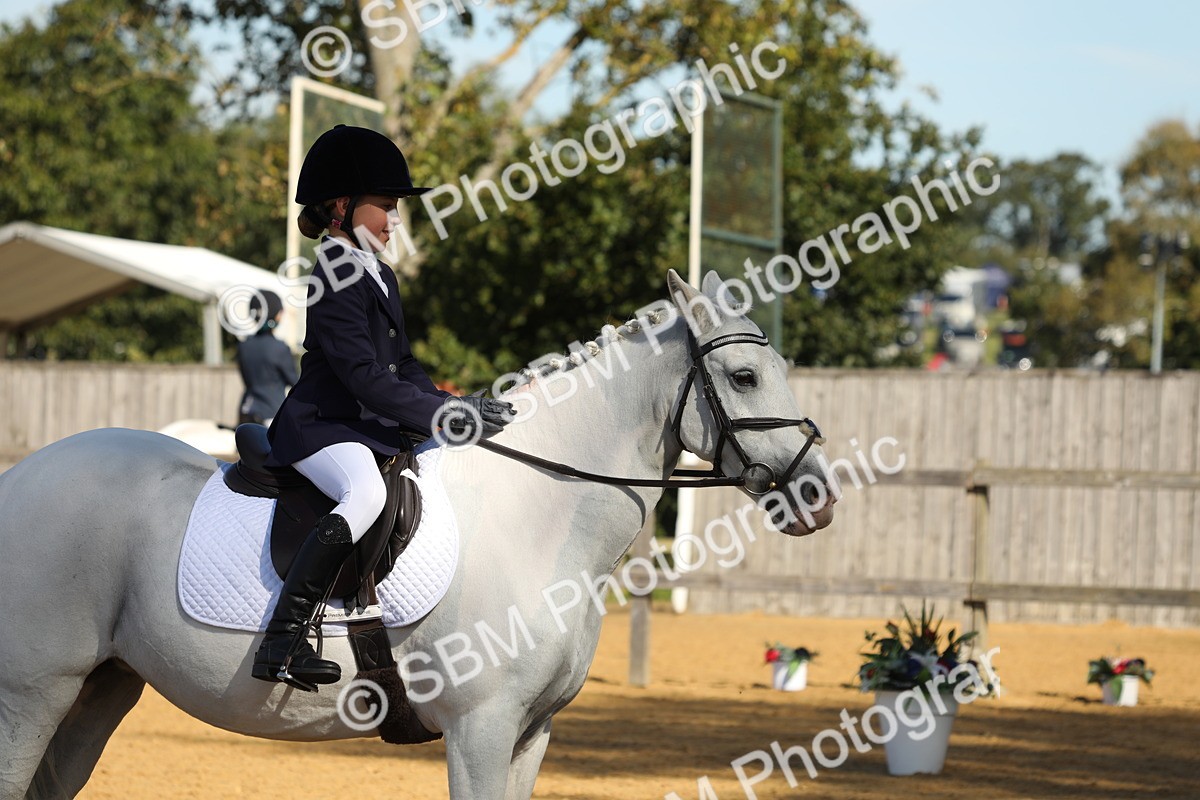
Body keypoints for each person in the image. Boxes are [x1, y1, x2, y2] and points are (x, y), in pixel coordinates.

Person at [253, 124, 515, 689]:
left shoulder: (380, 273)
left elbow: (403, 366)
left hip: (361, 423)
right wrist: (441, 416)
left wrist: (453, 405)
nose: (395, 220)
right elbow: (365, 379)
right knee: (366, 492)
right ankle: (284, 637)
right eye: (387, 208)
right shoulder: (332, 271)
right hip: (321, 427)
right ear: (343, 207)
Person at [236, 290, 297, 426]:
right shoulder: (279, 348)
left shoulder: (243, 346)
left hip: (246, 410)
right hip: (272, 413)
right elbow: (295, 382)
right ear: (277, 315)